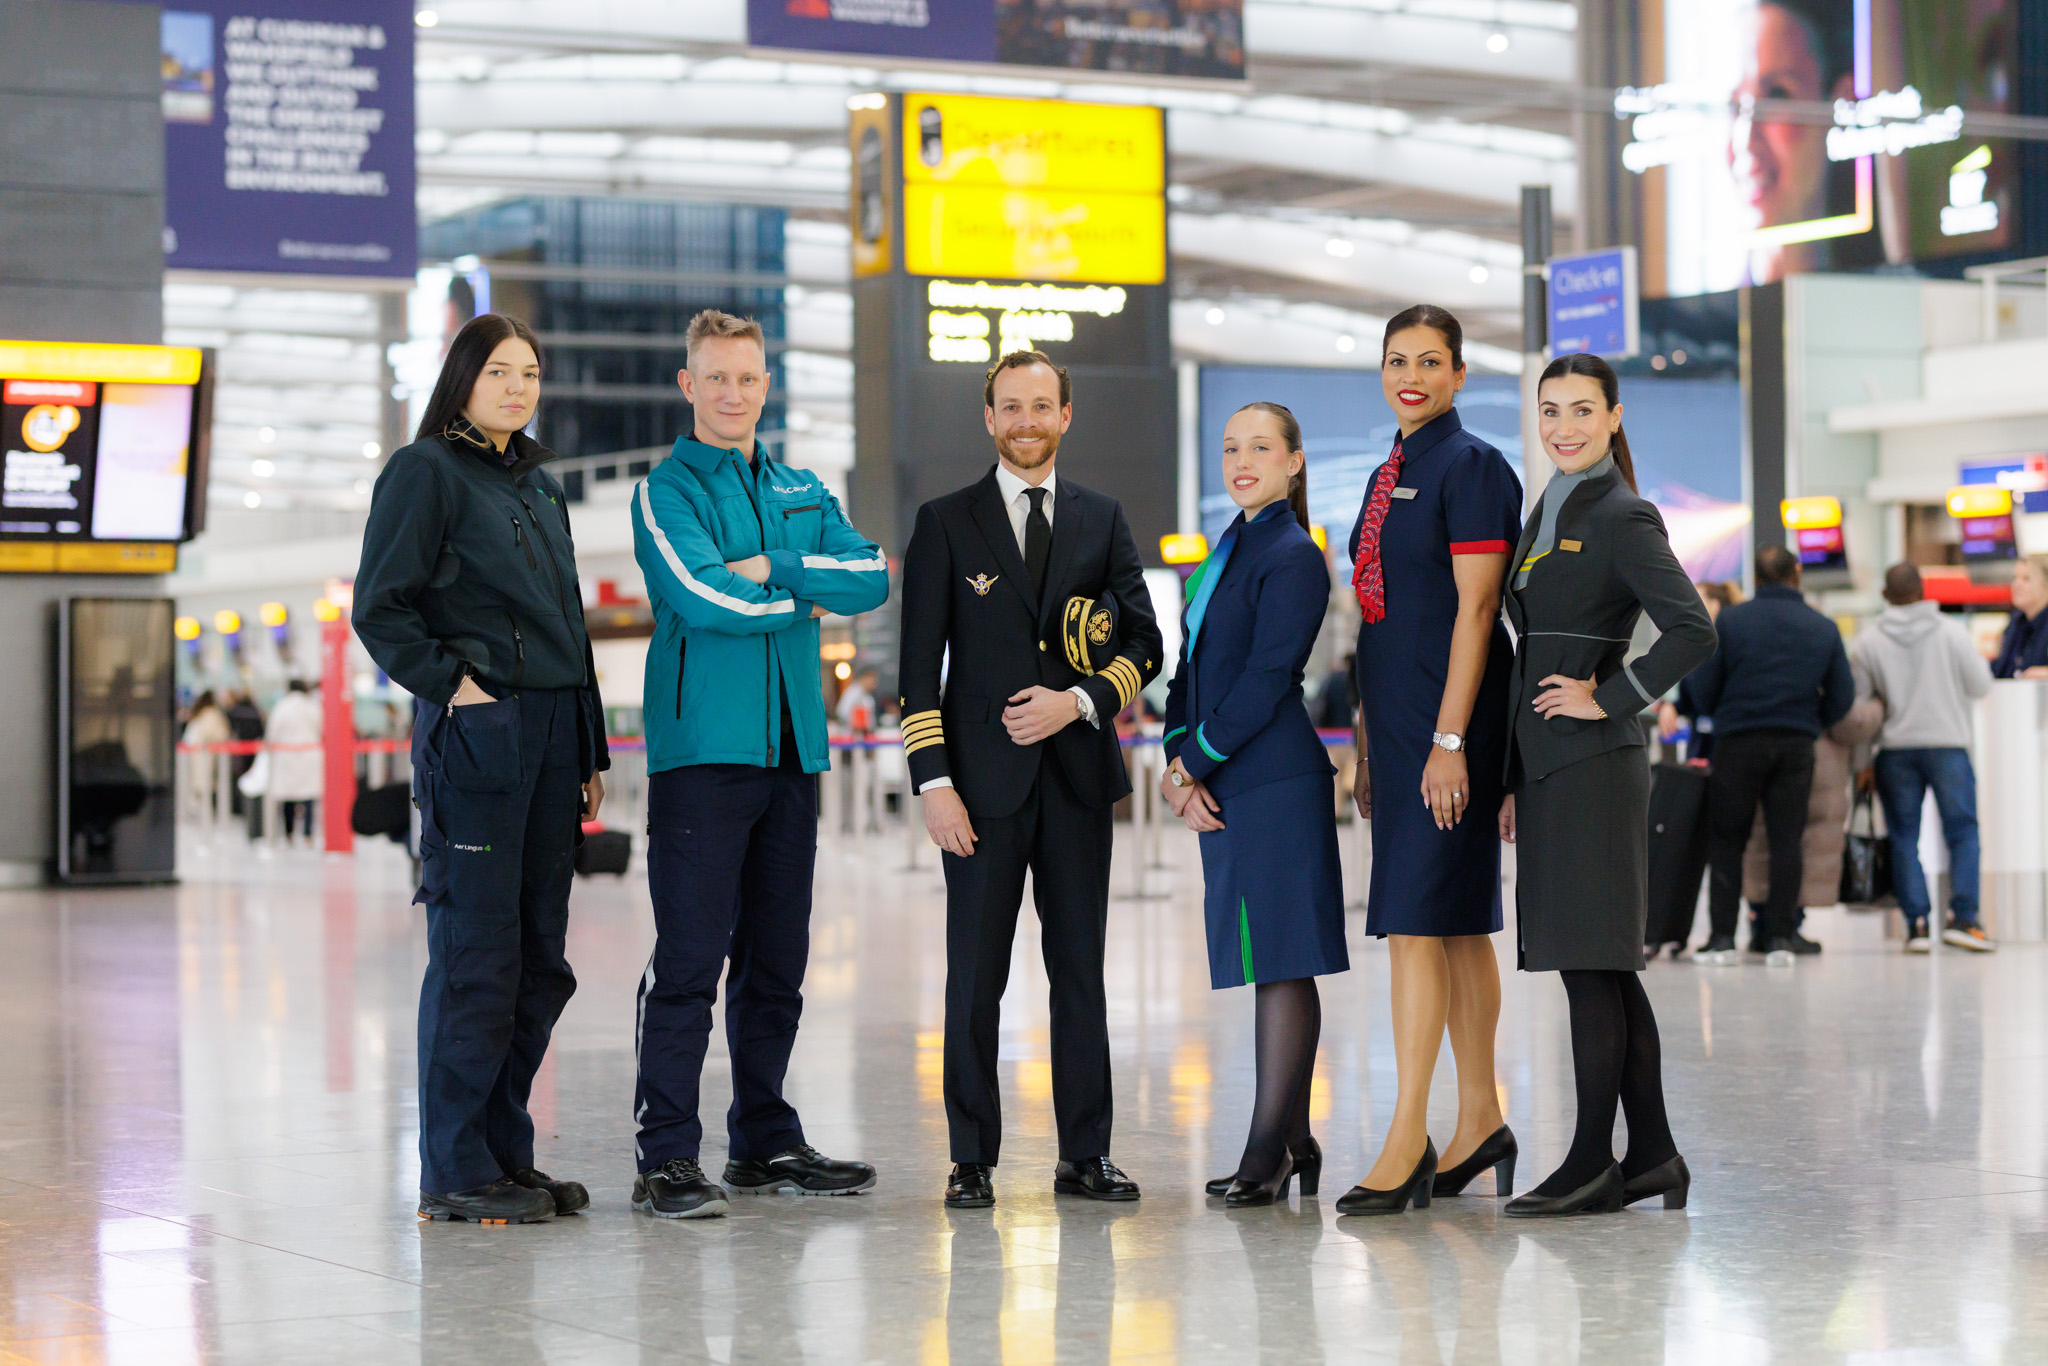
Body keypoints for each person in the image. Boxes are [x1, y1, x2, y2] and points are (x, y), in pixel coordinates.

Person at [629, 309, 891, 1219]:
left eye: (748, 378)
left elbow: (869, 576)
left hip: (791, 751)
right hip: (703, 754)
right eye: (717, 378)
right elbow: (703, 598)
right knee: (692, 960)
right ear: (688, 386)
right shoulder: (666, 491)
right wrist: (800, 599)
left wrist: (775, 562)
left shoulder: (798, 484)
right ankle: (665, 1154)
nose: (733, 393)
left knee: (778, 961)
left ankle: (764, 1139)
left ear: (765, 386)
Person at [354, 312, 610, 1225]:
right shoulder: (425, 472)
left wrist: (589, 744)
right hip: (479, 736)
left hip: (551, 738)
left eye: (531, 373)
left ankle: (505, 1154)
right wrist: (454, 688)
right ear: (461, 377)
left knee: (540, 958)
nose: (517, 387)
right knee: (476, 956)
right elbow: (380, 608)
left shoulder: (540, 488)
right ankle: (453, 1168)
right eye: (499, 371)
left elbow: (569, 629)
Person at [898, 349, 1163, 1209]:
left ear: (1066, 414)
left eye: (1041, 406)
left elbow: (1144, 644)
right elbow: (916, 669)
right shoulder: (945, 521)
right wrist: (933, 782)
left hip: (1078, 779)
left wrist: (1079, 702)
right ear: (988, 417)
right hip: (977, 789)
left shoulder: (1103, 516)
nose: (1025, 420)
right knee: (975, 975)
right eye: (1010, 406)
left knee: (1080, 971)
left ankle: (1086, 1154)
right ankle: (970, 1157)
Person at [1499, 352, 1717, 1217]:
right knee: (1605, 970)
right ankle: (1653, 1152)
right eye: (1550, 411)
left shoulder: (1624, 514)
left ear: (1615, 416)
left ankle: (1592, 1162)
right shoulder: (1550, 505)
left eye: (1582, 411)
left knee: (1592, 968)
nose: (1564, 427)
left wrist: (1610, 696)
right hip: (1552, 767)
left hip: (1594, 765)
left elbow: (1692, 631)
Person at [1336, 305, 1522, 1216]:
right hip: (1402, 726)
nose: (1411, 374)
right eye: (1396, 359)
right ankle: (1480, 1116)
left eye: (1431, 361)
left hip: (1450, 727)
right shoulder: (1389, 470)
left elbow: (1477, 611)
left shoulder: (1472, 466)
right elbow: (1379, 623)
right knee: (1451, 922)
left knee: (1414, 921)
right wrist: (1373, 744)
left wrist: (1450, 743)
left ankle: (1408, 1135)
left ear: (1459, 374)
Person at [1162, 402, 1348, 1208]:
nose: (1242, 460)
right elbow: (1188, 668)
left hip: (1271, 780)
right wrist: (1178, 758)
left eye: (1261, 447)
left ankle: (1267, 1150)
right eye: (1232, 447)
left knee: (1280, 962)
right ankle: (1293, 1138)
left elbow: (1271, 676)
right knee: (1261, 956)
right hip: (1229, 778)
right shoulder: (1224, 551)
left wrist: (1196, 758)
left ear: (1294, 461)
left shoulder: (1292, 555)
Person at [1683, 544, 1854, 965]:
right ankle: (1780, 936)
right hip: (1796, 743)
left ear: (1756, 579)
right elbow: (1843, 697)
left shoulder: (1732, 622)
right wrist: (1811, 720)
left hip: (1738, 741)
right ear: (1796, 574)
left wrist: (1721, 714)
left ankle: (1722, 937)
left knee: (1727, 839)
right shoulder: (1823, 627)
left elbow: (1702, 687)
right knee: (1786, 840)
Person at [1851, 564, 1996, 953]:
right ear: (1924, 590)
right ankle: (1964, 919)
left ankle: (1916, 924)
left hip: (1894, 751)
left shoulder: (1867, 642)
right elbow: (1981, 684)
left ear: (1885, 595)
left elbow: (1861, 713)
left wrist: (1862, 763)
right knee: (1962, 831)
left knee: (1903, 837)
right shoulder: (1952, 632)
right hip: (1948, 744)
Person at [1656, 581, 1739, 762]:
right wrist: (1671, 707)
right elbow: (1688, 699)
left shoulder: (1735, 650)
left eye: (1697, 601)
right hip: (1699, 747)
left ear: (1715, 605)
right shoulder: (1697, 651)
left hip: (1727, 749)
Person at [264, 679, 324, 843]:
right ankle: (308, 834)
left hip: (286, 756)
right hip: (310, 754)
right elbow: (322, 728)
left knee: (287, 797)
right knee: (309, 797)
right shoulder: (312, 706)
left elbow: (272, 732)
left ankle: (289, 833)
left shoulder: (282, 706)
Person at [1992, 553, 2048, 679]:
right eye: (2015, 578)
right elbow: (2001, 669)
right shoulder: (2016, 623)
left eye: (2026, 579)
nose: (2017, 584)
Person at [180, 690, 231, 821]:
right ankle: (204, 813)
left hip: (196, 752)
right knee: (204, 783)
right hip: (204, 753)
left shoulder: (200, 712)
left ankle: (198, 811)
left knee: (199, 783)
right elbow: (219, 734)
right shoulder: (211, 713)